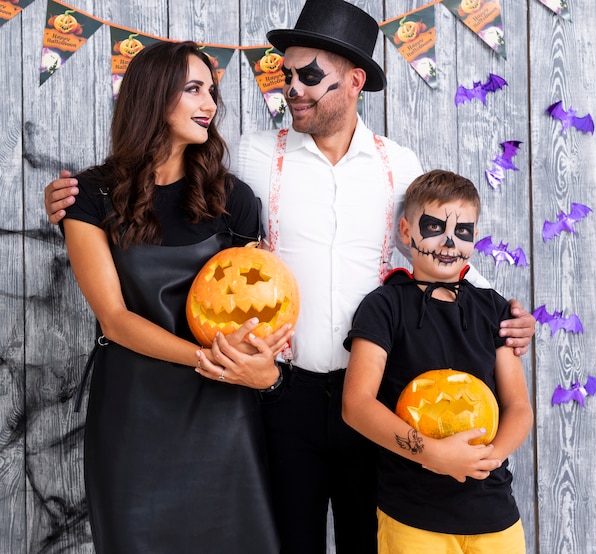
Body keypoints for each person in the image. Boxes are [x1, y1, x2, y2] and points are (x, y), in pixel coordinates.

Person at [44, 2, 535, 552]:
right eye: (287, 74)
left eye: (309, 75)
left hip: (373, 392)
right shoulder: (253, 159)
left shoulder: (400, 164)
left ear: (353, 82)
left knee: (366, 540)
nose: (292, 88)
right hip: (278, 391)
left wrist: (505, 312)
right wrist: (68, 198)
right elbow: (165, 206)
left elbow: (438, 245)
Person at [57, 40, 291, 553]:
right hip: (135, 417)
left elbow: (260, 301)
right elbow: (115, 320)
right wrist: (211, 358)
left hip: (222, 418)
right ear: (152, 96)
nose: (210, 103)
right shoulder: (91, 197)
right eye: (193, 89)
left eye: (211, 90)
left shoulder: (235, 200)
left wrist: (258, 359)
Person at [342, 169, 534, 554]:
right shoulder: (384, 307)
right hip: (413, 514)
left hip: (493, 512)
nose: (449, 242)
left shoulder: (493, 308)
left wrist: (485, 458)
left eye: (463, 231)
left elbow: (518, 406)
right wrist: (435, 455)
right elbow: (356, 405)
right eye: (434, 226)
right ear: (406, 230)